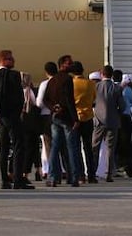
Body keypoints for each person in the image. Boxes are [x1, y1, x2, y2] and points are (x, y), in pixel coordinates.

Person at [0, 50, 33, 189]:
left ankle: (5, 180)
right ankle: (17, 178)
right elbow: (17, 97)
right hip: (12, 117)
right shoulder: (13, 75)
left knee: (3, 148)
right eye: (10, 58)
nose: (13, 60)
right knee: (18, 146)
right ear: (2, 60)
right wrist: (17, 113)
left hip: (1, 118)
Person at [43, 56, 81, 187]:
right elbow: (69, 99)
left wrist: (53, 108)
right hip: (66, 118)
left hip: (55, 117)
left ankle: (52, 176)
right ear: (62, 65)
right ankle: (74, 177)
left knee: (55, 147)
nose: (71, 65)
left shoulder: (52, 80)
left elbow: (45, 99)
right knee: (72, 148)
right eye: (68, 63)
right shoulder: (67, 79)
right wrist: (75, 118)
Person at [92, 65, 123, 182]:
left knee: (94, 147)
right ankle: (109, 173)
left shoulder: (96, 87)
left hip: (98, 120)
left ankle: (92, 172)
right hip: (113, 121)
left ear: (102, 74)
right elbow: (122, 105)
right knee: (111, 148)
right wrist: (117, 113)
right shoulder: (117, 88)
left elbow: (92, 102)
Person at [71, 61, 97, 183]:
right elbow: (94, 99)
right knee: (88, 147)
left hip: (75, 117)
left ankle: (81, 174)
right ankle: (92, 174)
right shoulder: (91, 84)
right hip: (88, 117)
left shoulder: (71, 83)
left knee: (76, 148)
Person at [35, 61, 57, 179]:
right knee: (60, 144)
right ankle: (62, 169)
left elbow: (39, 102)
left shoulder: (44, 84)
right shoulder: (61, 82)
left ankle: (48, 169)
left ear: (46, 72)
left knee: (47, 144)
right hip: (60, 115)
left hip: (46, 116)